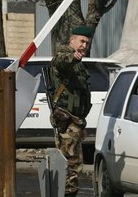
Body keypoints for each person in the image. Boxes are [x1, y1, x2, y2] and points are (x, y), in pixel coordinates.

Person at [49, 25, 94, 197]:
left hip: (75, 122)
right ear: (72, 40)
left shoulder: (80, 64)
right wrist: (73, 58)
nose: (84, 46)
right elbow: (62, 61)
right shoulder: (64, 55)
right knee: (71, 164)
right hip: (66, 120)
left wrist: (82, 125)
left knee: (74, 164)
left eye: (87, 43)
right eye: (82, 41)